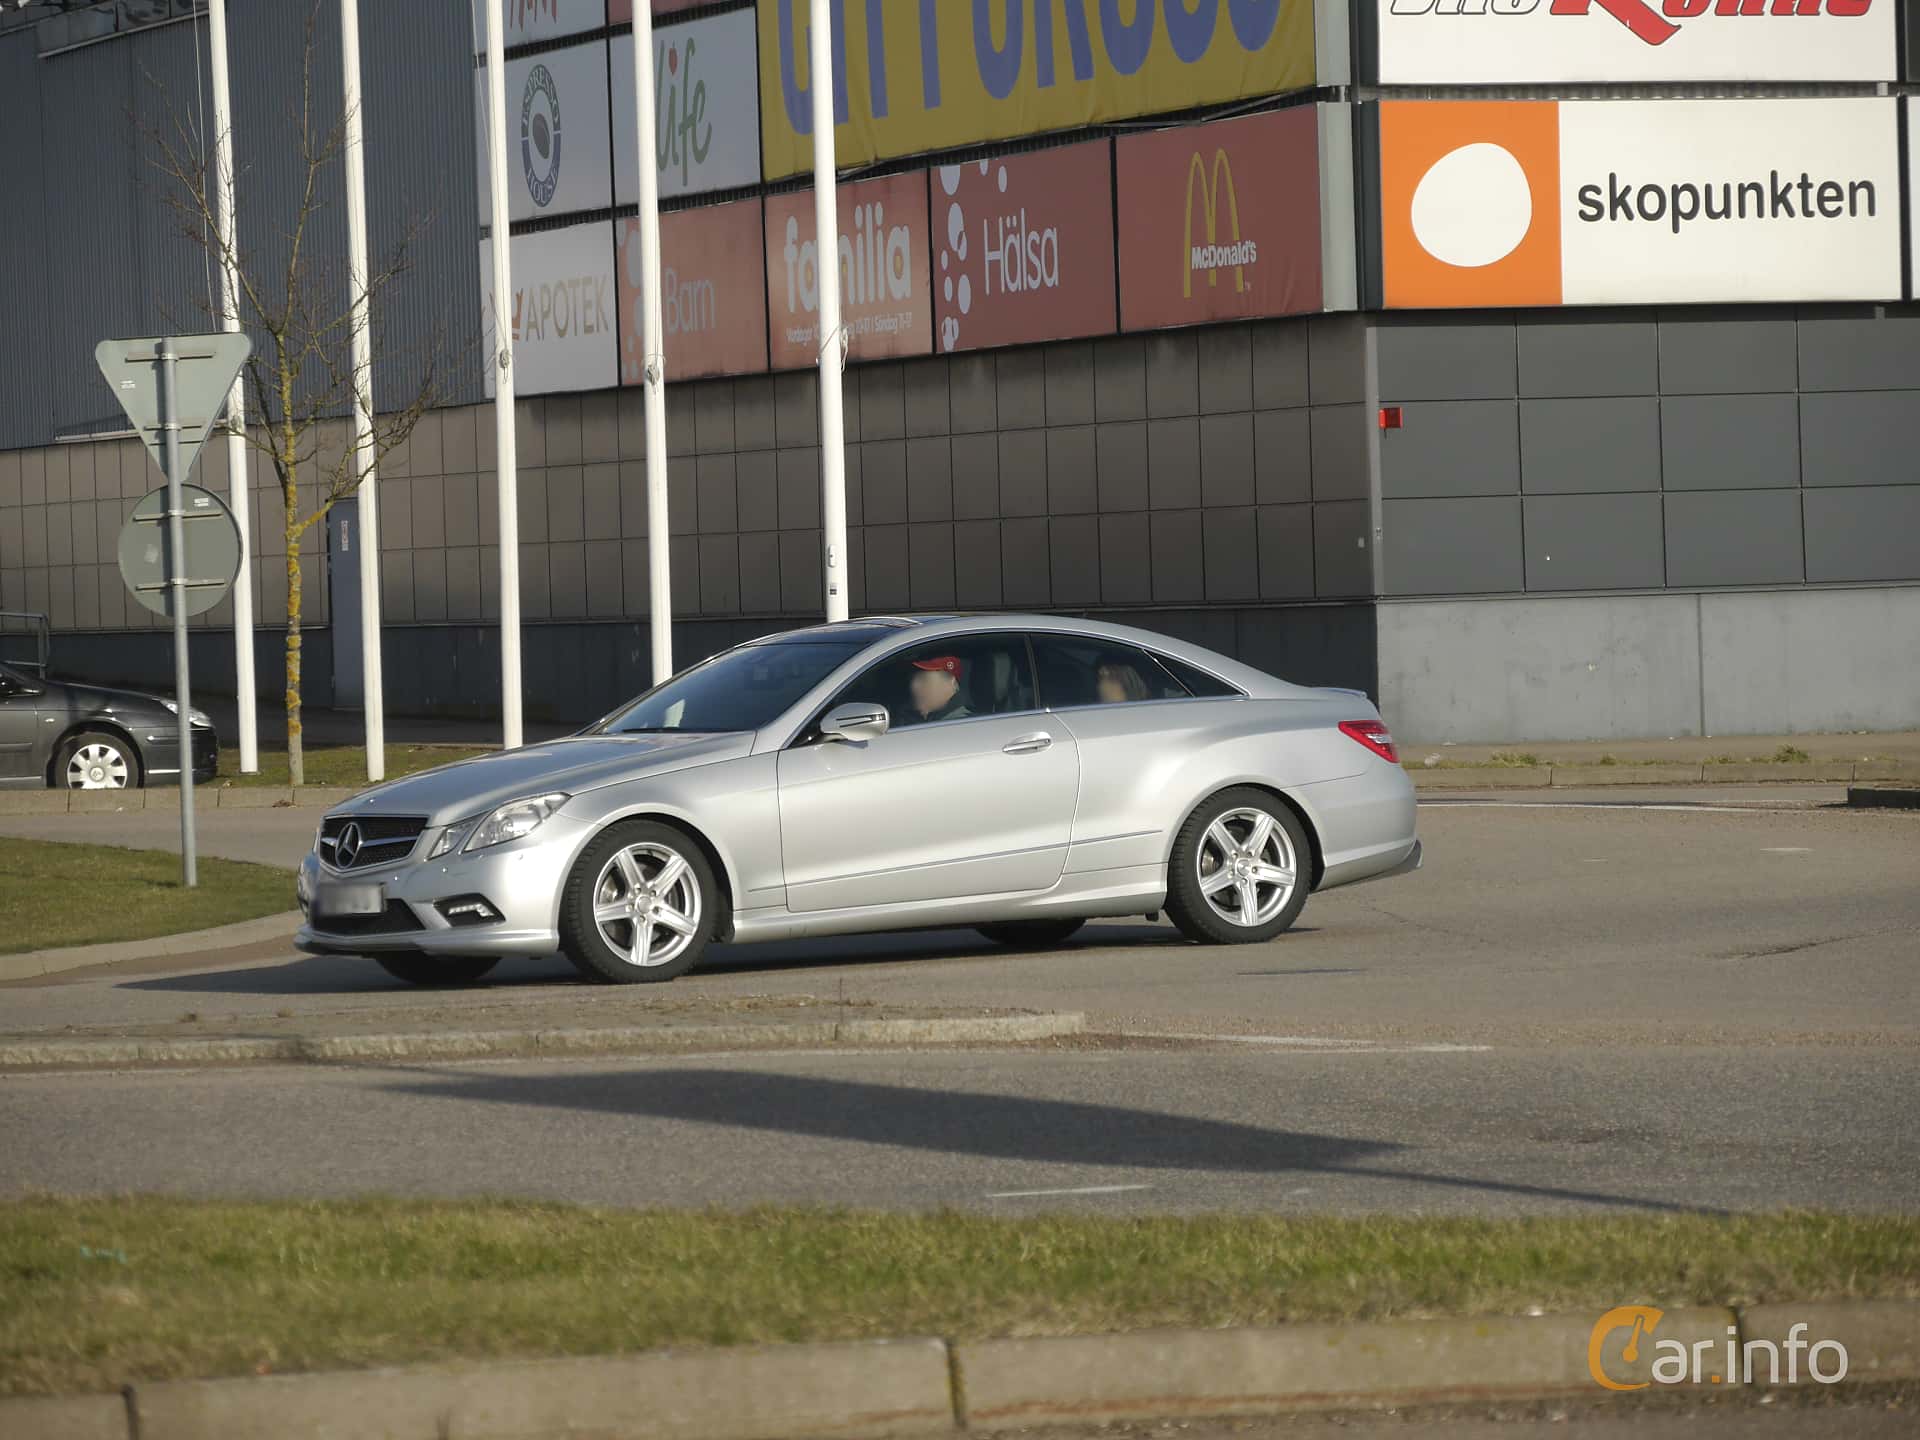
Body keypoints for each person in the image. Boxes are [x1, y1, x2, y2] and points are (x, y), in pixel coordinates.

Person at [907, 654, 972, 723]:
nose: (914, 686)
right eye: (912, 679)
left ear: (951, 682)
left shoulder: (960, 725)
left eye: (923, 679)